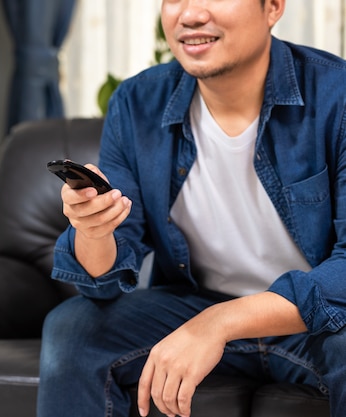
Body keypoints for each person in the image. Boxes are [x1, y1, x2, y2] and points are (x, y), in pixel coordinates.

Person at [37, 0, 346, 416]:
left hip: (309, 321)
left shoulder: (336, 96)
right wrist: (94, 231)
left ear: (272, 7)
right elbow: (103, 282)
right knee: (74, 329)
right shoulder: (136, 102)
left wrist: (220, 323)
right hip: (194, 302)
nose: (190, 14)